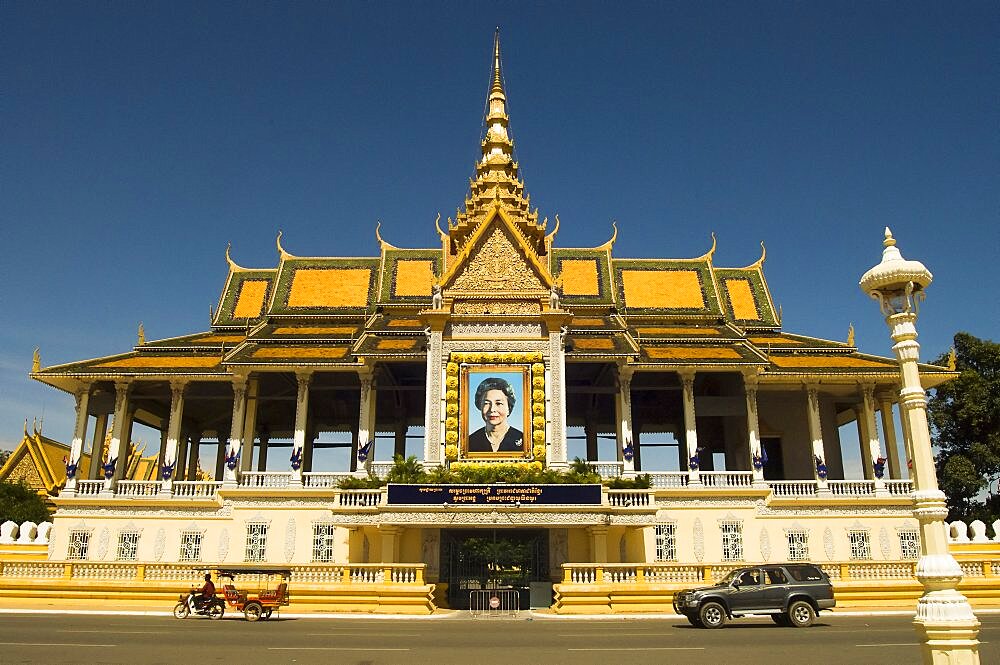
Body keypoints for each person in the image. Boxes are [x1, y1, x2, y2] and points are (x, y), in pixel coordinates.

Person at [467, 377, 524, 453]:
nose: (492, 409)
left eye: (498, 403)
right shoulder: (470, 442)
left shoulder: (524, 441)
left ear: (509, 408)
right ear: (480, 406)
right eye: (486, 403)